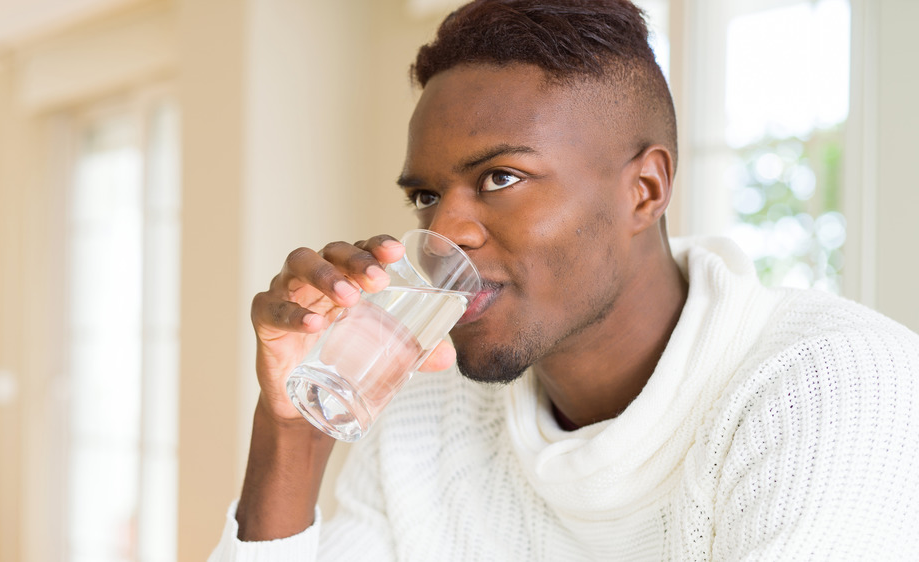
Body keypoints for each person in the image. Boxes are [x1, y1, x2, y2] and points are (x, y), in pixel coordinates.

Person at [210, 0, 919, 559]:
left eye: (501, 177)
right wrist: (293, 430)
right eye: (426, 195)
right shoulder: (425, 418)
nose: (445, 231)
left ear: (644, 189)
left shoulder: (837, 386)